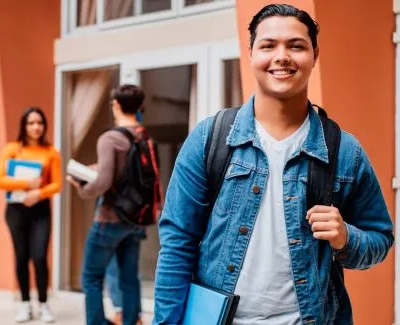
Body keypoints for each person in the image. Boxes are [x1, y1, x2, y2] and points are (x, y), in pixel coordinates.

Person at [153, 4, 394, 324]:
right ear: (250, 52)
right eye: (268, 45)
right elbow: (176, 247)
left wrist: (345, 237)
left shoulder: (344, 151)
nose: (282, 56)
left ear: (314, 55)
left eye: (296, 45)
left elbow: (380, 238)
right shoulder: (210, 139)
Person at [67, 85, 148, 325]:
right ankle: (132, 320)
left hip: (110, 218)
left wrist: (80, 186)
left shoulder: (110, 138)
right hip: (135, 219)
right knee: (129, 277)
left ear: (115, 105)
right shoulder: (145, 137)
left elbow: (102, 183)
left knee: (91, 277)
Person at [0, 107, 62, 323]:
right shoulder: (12, 149)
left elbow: (57, 184)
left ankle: (43, 303)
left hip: (40, 210)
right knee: (21, 256)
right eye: (31, 123)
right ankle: (24, 303)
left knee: (40, 257)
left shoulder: (51, 152)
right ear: (24, 126)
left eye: (40, 123)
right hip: (16, 209)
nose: (36, 127)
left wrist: (38, 193)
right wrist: (26, 184)